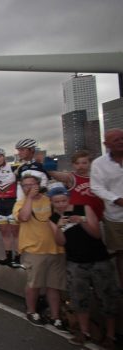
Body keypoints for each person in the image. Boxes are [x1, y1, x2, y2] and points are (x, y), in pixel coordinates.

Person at [47, 186, 118, 348]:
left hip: (98, 259)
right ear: (51, 202)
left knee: (107, 298)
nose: (60, 205)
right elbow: (60, 242)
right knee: (79, 299)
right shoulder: (52, 218)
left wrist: (82, 221)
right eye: (56, 202)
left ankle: (111, 336)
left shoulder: (83, 208)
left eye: (63, 201)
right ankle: (84, 332)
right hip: (75, 262)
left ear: (69, 198)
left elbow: (96, 234)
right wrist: (58, 227)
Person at [14, 175, 66, 329]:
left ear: (39, 184)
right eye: (25, 185)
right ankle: (31, 311)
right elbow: (23, 217)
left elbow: (62, 212)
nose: (29, 187)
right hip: (33, 249)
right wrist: (29, 198)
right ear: (22, 188)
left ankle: (55, 316)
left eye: (33, 184)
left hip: (56, 249)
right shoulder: (20, 203)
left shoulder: (49, 200)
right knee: (34, 284)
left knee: (53, 286)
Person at [90, 128, 123, 288]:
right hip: (115, 216)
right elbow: (96, 187)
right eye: (116, 140)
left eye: (122, 138)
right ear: (106, 144)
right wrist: (116, 199)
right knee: (120, 253)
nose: (121, 142)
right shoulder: (99, 164)